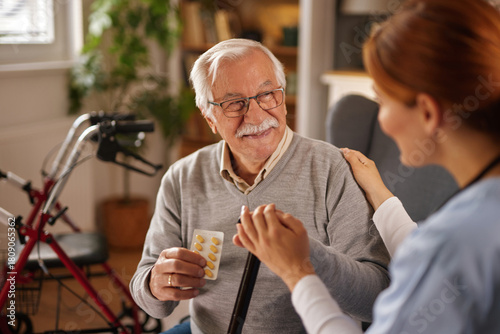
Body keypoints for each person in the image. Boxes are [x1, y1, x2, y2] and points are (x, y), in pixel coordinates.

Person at [234, 0, 500, 333]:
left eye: (382, 101)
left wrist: (297, 272)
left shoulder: (450, 246)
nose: (380, 120)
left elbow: (437, 257)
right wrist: (380, 194)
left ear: (429, 114)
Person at [129, 38, 391, 333]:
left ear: (282, 94)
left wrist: (307, 255)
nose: (255, 116)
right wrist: (155, 284)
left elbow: (376, 297)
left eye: (267, 94)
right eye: (234, 103)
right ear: (210, 118)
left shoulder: (333, 170)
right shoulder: (182, 177)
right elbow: (147, 294)